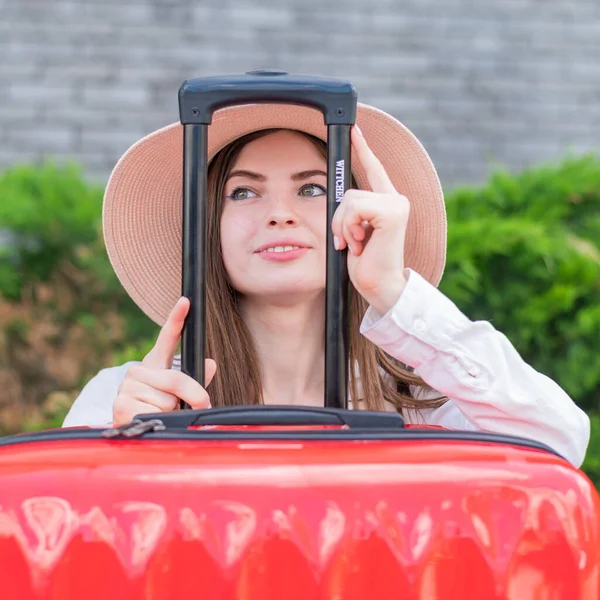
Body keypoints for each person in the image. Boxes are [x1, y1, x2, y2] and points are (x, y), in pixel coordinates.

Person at [62, 101, 590, 468]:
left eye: (313, 188)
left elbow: (558, 443)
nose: (281, 216)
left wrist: (392, 289)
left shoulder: (423, 403)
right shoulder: (128, 399)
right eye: (244, 194)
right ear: (206, 229)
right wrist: (125, 446)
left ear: (358, 214)